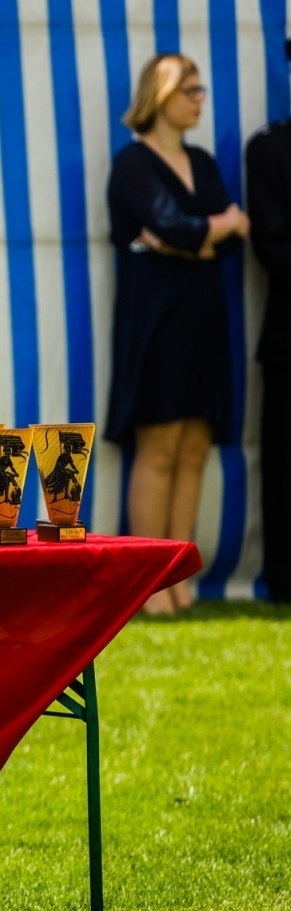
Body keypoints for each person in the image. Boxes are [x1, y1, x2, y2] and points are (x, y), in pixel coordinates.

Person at [107, 54, 251, 614]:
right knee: (160, 444)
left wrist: (194, 237)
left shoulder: (203, 162)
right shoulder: (133, 166)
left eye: (201, 88)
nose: (199, 97)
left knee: (194, 446)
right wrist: (204, 230)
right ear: (161, 93)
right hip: (157, 319)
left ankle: (178, 580)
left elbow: (223, 236)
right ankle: (149, 583)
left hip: (205, 316)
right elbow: (176, 226)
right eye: (189, 88)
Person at [245, 45, 291, 602]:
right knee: (285, 466)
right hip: (288, 340)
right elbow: (271, 242)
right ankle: (285, 580)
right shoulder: (271, 148)